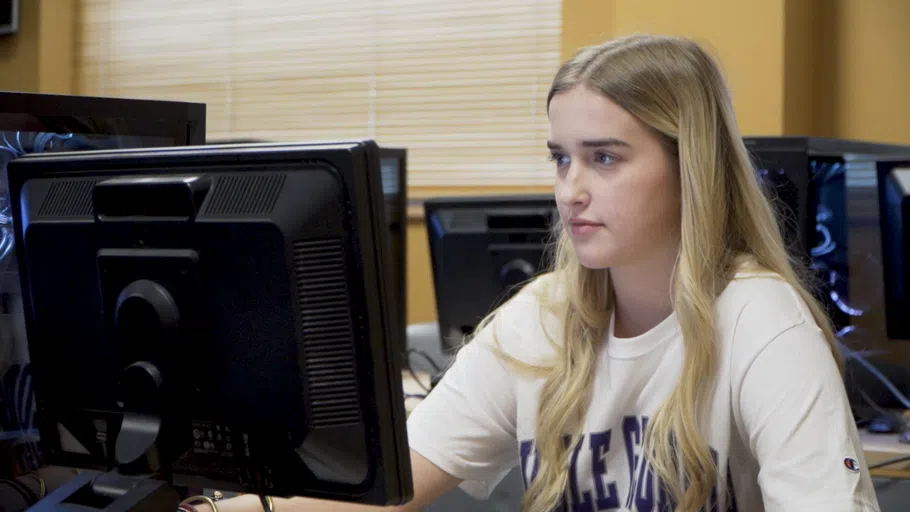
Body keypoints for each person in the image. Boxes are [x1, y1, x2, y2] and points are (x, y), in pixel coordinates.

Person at [201, 34, 880, 512]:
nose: (569, 190)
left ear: (690, 168)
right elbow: (391, 487)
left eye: (605, 159)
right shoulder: (544, 318)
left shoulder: (762, 322)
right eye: (561, 158)